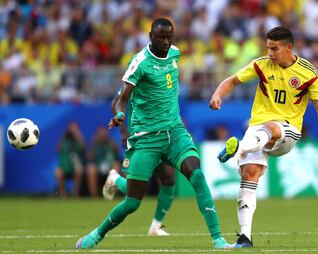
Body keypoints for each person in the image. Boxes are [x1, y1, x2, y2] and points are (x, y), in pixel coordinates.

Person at [76, 18, 231, 249]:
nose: (166, 41)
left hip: (175, 132)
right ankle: (97, 234)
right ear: (150, 36)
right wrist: (120, 116)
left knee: (196, 176)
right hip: (146, 138)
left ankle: (218, 239)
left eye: (170, 37)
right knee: (132, 201)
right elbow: (121, 99)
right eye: (161, 37)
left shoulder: (175, 53)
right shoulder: (140, 63)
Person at [209, 26, 318, 248]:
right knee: (248, 176)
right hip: (257, 129)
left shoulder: (309, 73)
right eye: (267, 47)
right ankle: (245, 237)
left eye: (274, 48)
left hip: (287, 131)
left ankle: (239, 147)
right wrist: (217, 94)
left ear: (289, 48)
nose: (269, 52)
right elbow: (232, 80)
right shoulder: (261, 65)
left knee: (271, 127)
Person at [101, 93, 176, 236]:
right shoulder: (138, 76)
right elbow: (116, 102)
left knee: (169, 179)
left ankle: (155, 226)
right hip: (141, 138)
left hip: (159, 135)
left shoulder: (165, 75)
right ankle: (115, 178)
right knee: (135, 193)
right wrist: (124, 132)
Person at [86, 126, 121, 198]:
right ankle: (94, 196)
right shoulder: (94, 144)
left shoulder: (112, 143)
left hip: (109, 166)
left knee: (116, 166)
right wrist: (93, 146)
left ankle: (110, 194)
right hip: (98, 167)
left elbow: (117, 156)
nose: (102, 134)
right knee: (91, 169)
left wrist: (114, 145)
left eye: (104, 132)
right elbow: (89, 158)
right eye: (100, 132)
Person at [54, 121, 86, 197]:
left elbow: (83, 148)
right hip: (65, 166)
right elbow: (58, 148)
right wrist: (64, 136)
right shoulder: (65, 140)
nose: (73, 130)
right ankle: (63, 193)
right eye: (71, 128)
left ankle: (75, 193)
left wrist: (78, 135)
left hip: (75, 166)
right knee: (58, 172)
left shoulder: (79, 140)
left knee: (79, 170)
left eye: (75, 128)